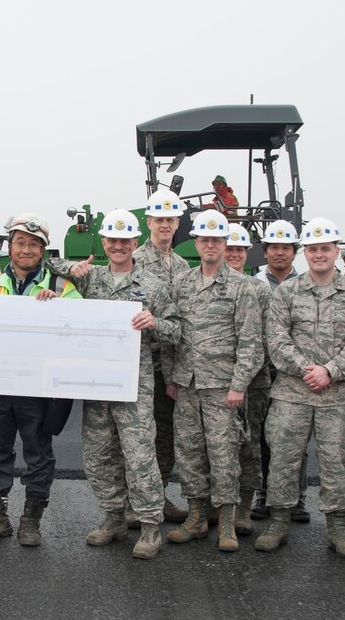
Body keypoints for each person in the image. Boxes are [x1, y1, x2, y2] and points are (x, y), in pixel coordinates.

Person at [49, 209, 182, 559]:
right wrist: (70, 268)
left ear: (134, 243)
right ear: (104, 243)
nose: (119, 246)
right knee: (97, 455)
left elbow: (177, 329)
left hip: (133, 385)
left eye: (125, 240)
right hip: (95, 384)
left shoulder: (152, 285)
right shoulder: (90, 278)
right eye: (112, 240)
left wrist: (155, 323)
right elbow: (49, 265)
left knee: (139, 456)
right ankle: (114, 516)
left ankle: (151, 525)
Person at [0, 213, 81, 547]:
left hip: (39, 388)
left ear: (43, 250)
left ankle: (31, 520)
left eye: (33, 244)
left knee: (38, 453)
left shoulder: (61, 287)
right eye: (19, 242)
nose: (25, 249)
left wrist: (57, 309)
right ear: (10, 247)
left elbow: (80, 326)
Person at [254, 218, 345, 557]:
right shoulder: (288, 292)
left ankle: (337, 525)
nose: (319, 254)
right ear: (304, 253)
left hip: (336, 396)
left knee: (337, 462)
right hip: (293, 393)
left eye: (325, 248)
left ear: (337, 251)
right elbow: (276, 339)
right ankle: (279, 520)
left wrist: (329, 372)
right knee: (283, 459)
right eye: (313, 249)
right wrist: (309, 371)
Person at [162, 209, 263, 553]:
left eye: (216, 240)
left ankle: (226, 522)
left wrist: (239, 385)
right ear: (197, 243)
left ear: (225, 243)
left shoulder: (241, 286)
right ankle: (195, 517)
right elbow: (172, 333)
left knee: (224, 455)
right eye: (204, 239)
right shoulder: (183, 283)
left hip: (223, 387)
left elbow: (250, 340)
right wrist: (170, 378)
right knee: (189, 453)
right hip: (187, 384)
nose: (209, 245)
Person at [133, 189, 192, 523]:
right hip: (142, 360)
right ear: (149, 221)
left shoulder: (183, 265)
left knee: (166, 434)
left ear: (177, 221)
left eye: (171, 219)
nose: (165, 224)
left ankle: (158, 496)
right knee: (139, 437)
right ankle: (134, 501)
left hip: (174, 361)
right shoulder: (135, 260)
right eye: (160, 219)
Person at [251, 220, 308, 524]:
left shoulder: (307, 283)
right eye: (274, 247)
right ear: (266, 250)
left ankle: (296, 498)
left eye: (286, 247)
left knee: (294, 436)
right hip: (261, 372)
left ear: (294, 251)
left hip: (294, 373)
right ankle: (264, 494)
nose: (280, 252)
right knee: (261, 437)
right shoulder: (254, 283)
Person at [222, 223, 271, 536]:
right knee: (217, 447)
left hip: (252, 383)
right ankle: (219, 505)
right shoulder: (210, 284)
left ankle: (243, 507)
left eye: (240, 249)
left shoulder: (259, 289)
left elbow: (265, 339)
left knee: (249, 445)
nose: (235, 254)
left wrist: (243, 374)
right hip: (216, 382)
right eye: (230, 248)